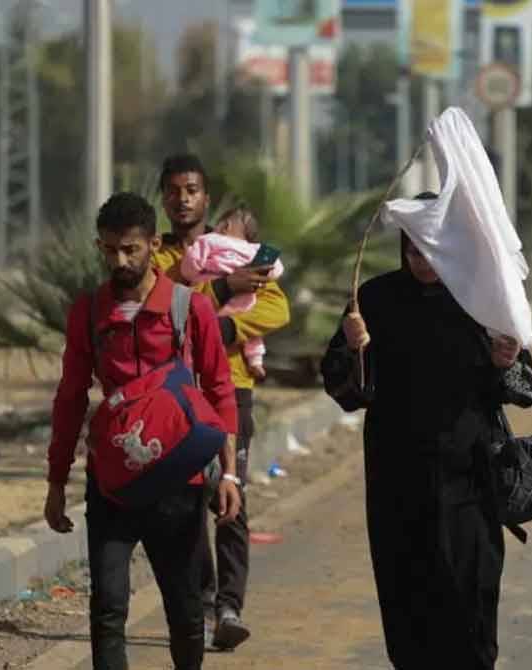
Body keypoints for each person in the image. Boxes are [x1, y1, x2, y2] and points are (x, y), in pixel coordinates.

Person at [321, 198, 527, 670]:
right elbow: (345, 388)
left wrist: (505, 362)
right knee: (407, 602)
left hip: (469, 480)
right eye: (414, 252)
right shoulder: (373, 300)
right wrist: (355, 350)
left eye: (433, 251)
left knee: (470, 602)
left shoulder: (483, 299)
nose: (423, 262)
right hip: (398, 480)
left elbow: (519, 389)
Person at [43, 193, 242, 670]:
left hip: (178, 482)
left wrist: (230, 475)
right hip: (112, 483)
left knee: (185, 610)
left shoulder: (190, 310)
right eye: (110, 249)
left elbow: (220, 390)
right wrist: (55, 482)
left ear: (154, 243)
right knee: (108, 608)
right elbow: (70, 398)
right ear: (99, 246)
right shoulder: (88, 312)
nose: (120, 260)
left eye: (131, 249)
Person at [153, 154, 291, 650]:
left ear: (206, 197)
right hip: (176, 395)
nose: (183, 198)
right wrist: (223, 289)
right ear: (163, 198)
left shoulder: (236, 247)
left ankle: (229, 607)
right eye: (173, 190)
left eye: (191, 189)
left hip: (232, 390)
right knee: (189, 502)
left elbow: (276, 305)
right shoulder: (158, 256)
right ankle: (205, 599)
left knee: (232, 499)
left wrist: (223, 326)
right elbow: (165, 307)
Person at [181, 206, 286, 381]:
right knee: (252, 332)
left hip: (215, 305)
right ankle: (256, 360)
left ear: (225, 226)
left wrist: (193, 274)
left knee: (203, 330)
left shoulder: (209, 240)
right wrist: (260, 273)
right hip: (246, 301)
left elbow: (190, 266)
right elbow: (277, 269)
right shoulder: (254, 249)